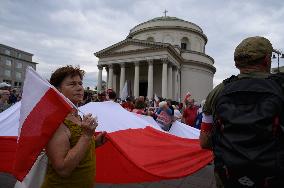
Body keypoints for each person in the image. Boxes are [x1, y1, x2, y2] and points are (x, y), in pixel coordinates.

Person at [199, 36, 284, 187]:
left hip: (228, 176)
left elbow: (204, 142)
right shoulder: (280, 87)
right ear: (266, 60)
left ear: (237, 63)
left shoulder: (218, 92)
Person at [41, 65, 106, 188]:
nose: (79, 88)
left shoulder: (77, 116)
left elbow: (75, 147)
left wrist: (94, 143)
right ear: (57, 90)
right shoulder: (56, 121)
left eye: (80, 83)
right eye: (72, 84)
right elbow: (63, 169)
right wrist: (87, 136)